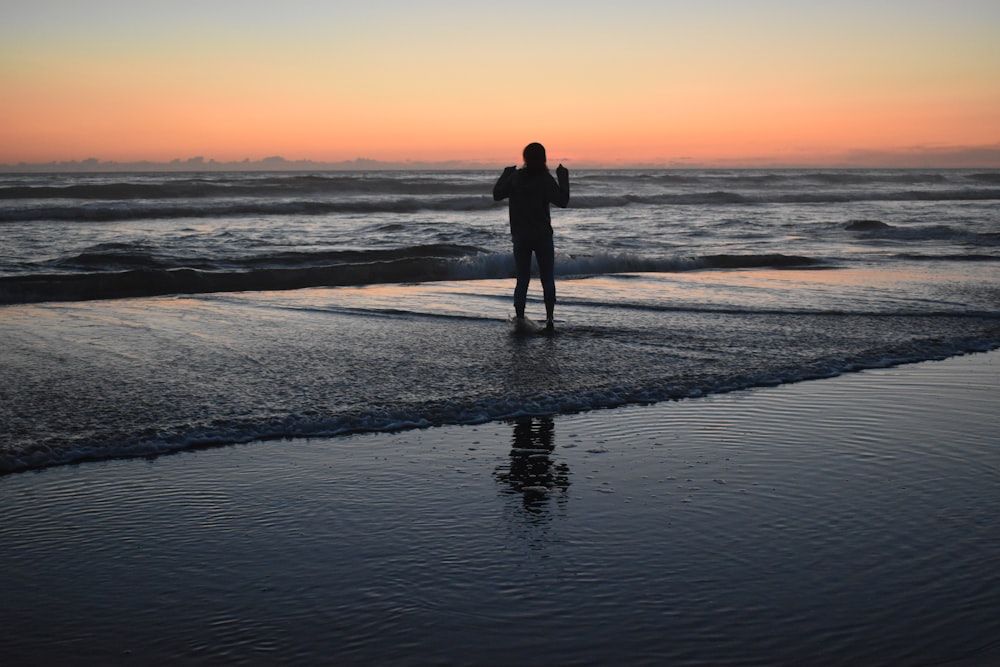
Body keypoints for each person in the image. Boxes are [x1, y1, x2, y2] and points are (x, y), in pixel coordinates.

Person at [493, 143, 569, 331]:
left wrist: (505, 174)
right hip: (542, 235)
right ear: (543, 158)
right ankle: (550, 319)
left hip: (520, 236)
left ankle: (519, 319)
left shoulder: (516, 179)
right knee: (547, 279)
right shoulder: (545, 179)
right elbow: (563, 201)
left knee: (522, 279)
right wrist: (563, 178)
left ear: (525, 158)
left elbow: (497, 195)